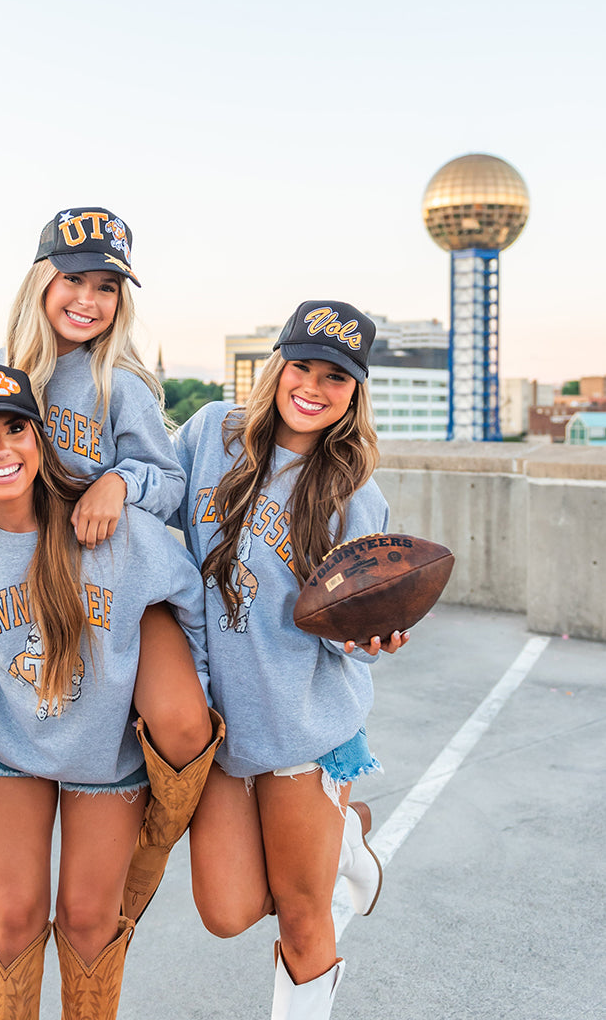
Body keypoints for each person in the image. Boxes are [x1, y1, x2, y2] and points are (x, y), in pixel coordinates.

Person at [0, 208, 222, 927]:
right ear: (41, 280)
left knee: (179, 721)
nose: (88, 300)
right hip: (20, 578)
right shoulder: (2, 369)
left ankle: (143, 860)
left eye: (107, 287)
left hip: (113, 574)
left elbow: (168, 483)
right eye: (74, 280)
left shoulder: (124, 384)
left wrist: (119, 482)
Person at [0, 364, 212, 1020]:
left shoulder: (110, 529)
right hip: (13, 748)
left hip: (105, 754)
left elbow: (188, 599)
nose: (0, 449)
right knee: (11, 916)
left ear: (41, 438)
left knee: (87, 920)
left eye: (15, 429)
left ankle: (147, 854)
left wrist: (184, 680)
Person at [172, 300, 409, 1020]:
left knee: (305, 919)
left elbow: (351, 625)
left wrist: (370, 636)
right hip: (217, 730)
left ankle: (332, 830)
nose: (312, 386)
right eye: (301, 366)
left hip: (300, 730)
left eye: (334, 377)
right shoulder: (211, 434)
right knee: (227, 909)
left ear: (354, 392)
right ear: (276, 367)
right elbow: (148, 503)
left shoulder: (351, 494)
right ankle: (348, 835)